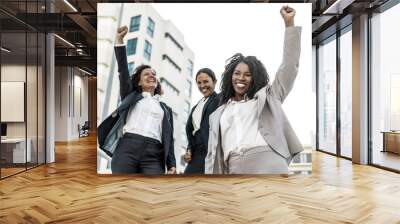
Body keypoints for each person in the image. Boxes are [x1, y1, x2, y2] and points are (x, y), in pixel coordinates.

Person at [205, 6, 302, 174]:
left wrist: (289, 24)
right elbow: (212, 154)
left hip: (268, 161)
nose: (241, 78)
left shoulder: (269, 97)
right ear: (230, 76)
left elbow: (289, 66)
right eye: (237, 73)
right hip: (233, 167)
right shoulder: (218, 113)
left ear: (255, 78)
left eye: (247, 75)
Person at [98, 26, 176, 174]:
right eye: (146, 74)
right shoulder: (131, 96)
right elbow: (123, 71)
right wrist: (120, 41)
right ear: (139, 82)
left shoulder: (166, 109)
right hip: (127, 148)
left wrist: (171, 164)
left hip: (154, 154)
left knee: (150, 193)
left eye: (154, 74)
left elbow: (169, 138)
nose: (151, 75)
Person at [183, 68, 219, 174]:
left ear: (215, 82)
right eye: (199, 83)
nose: (202, 85)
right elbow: (192, 131)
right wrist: (189, 149)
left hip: (209, 149)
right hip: (196, 152)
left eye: (206, 81)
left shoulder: (219, 99)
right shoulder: (195, 107)